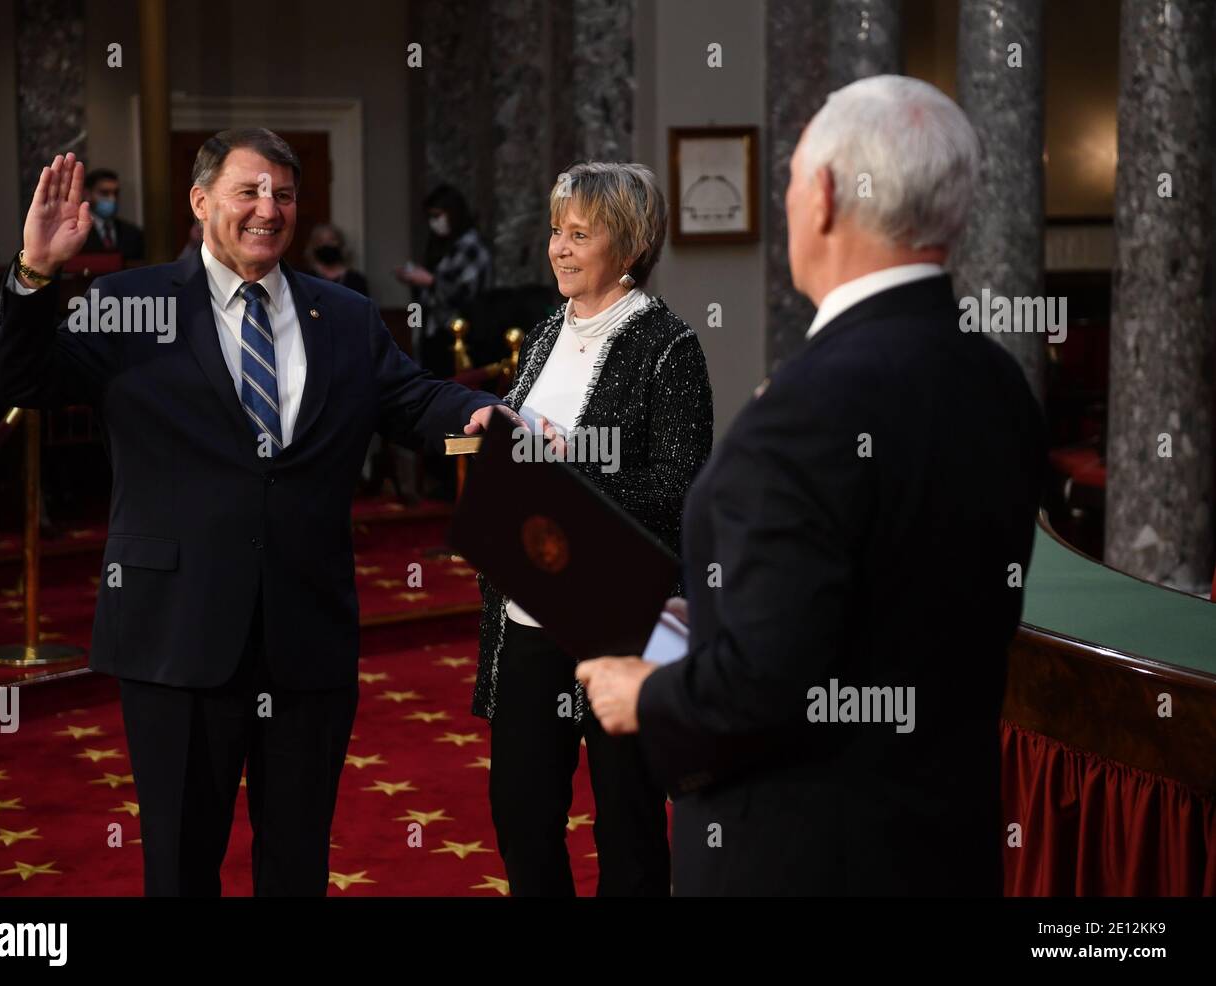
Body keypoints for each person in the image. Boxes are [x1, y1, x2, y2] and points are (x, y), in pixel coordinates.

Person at [0, 130, 513, 896]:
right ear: (201, 203)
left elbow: (417, 400)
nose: (270, 210)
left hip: (307, 640)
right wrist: (34, 272)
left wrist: (484, 413)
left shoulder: (346, 316)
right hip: (177, 638)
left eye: (285, 195)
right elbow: (13, 378)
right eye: (250, 191)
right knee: (181, 863)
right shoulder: (132, 305)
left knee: (296, 864)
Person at [578, 75, 1047, 895]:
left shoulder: (808, 408)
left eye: (791, 179)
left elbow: (766, 687)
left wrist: (646, 694)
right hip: (946, 844)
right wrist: (718, 610)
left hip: (805, 856)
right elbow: (891, 596)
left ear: (824, 194)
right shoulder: (997, 376)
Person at [472, 162, 714, 896]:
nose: (559, 248)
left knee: (629, 829)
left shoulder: (669, 347)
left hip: (620, 624)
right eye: (556, 231)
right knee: (521, 815)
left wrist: (569, 468)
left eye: (581, 233)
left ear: (631, 246)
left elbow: (682, 490)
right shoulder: (543, 335)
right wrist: (498, 438)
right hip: (525, 615)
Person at [393, 184, 491, 377]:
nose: (434, 223)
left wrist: (430, 281)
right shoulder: (439, 245)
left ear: (452, 214)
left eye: (438, 216)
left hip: (463, 335)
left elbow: (466, 294)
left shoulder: (471, 245)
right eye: (430, 217)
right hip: (433, 332)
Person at [81, 167, 145, 261]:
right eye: (105, 193)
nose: (112, 199)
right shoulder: (78, 233)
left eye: (115, 193)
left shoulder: (133, 233)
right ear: (87, 195)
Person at [304, 222, 369, 297]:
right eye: (321, 241)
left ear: (340, 243)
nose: (326, 244)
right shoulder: (306, 279)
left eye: (331, 240)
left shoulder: (356, 280)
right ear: (314, 246)